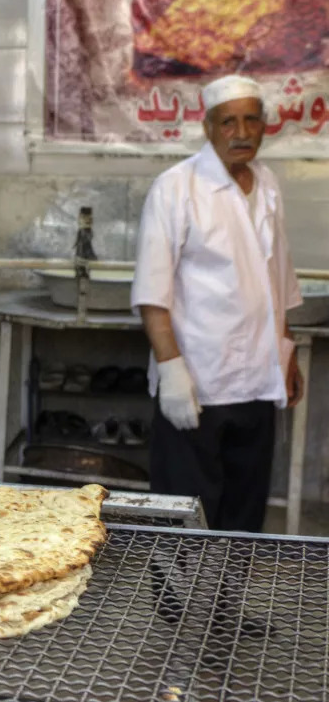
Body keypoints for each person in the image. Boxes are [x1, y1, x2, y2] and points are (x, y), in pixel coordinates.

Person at [132, 74, 303, 532]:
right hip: (197, 383)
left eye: (251, 120)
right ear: (207, 127)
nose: (241, 133)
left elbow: (277, 278)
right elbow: (152, 292)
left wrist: (287, 353)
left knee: (243, 517)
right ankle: (179, 587)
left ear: (265, 125)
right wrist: (171, 371)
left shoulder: (267, 185)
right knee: (185, 515)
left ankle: (230, 586)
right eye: (228, 122)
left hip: (257, 383)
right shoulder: (176, 187)